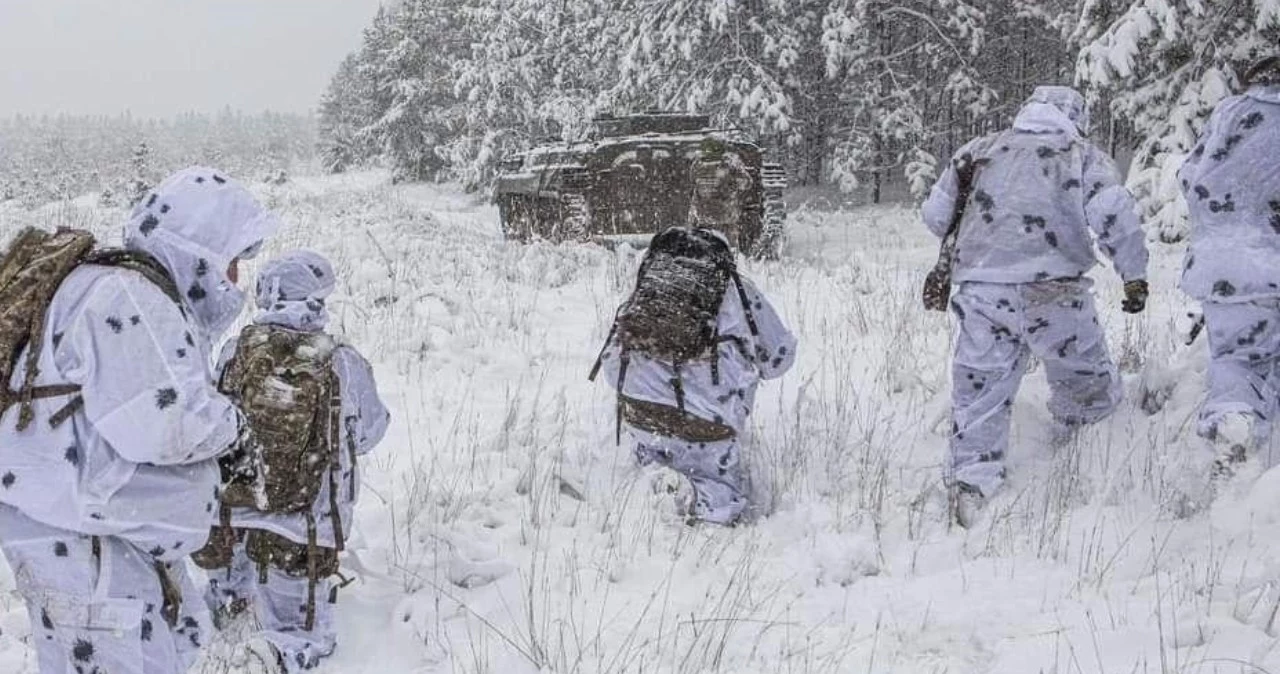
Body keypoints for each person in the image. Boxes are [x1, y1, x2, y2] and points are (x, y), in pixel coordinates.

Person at [0, 167, 278, 674]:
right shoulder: (129, 297)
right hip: (88, 547)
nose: (234, 281)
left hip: (81, 534)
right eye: (231, 261)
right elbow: (167, 421)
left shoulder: (103, 285)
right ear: (199, 249)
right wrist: (234, 428)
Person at [921, 86, 1150, 527]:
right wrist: (1134, 275)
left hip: (982, 291)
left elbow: (935, 216)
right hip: (1055, 293)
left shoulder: (980, 150)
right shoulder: (1080, 155)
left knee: (979, 394)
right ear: (1075, 118)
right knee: (1086, 385)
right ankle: (1079, 465)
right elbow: (1114, 215)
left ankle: (970, 487)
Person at [195, 250, 389, 673]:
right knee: (299, 632)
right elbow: (372, 431)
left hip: (231, 515)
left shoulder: (235, 351)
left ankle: (215, 635)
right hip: (303, 525)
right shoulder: (341, 361)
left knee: (226, 605)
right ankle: (271, 658)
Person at [590, 226, 796, 526]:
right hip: (708, 428)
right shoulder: (738, 291)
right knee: (716, 496)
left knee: (653, 480)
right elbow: (779, 360)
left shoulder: (649, 289)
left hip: (642, 417)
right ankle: (714, 522)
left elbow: (610, 367)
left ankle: (657, 500)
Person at [1178, 55, 1280, 475]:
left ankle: (1234, 427)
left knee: (1239, 359)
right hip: (1269, 251)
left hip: (1225, 264)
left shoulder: (1227, 114)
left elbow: (1189, 176)